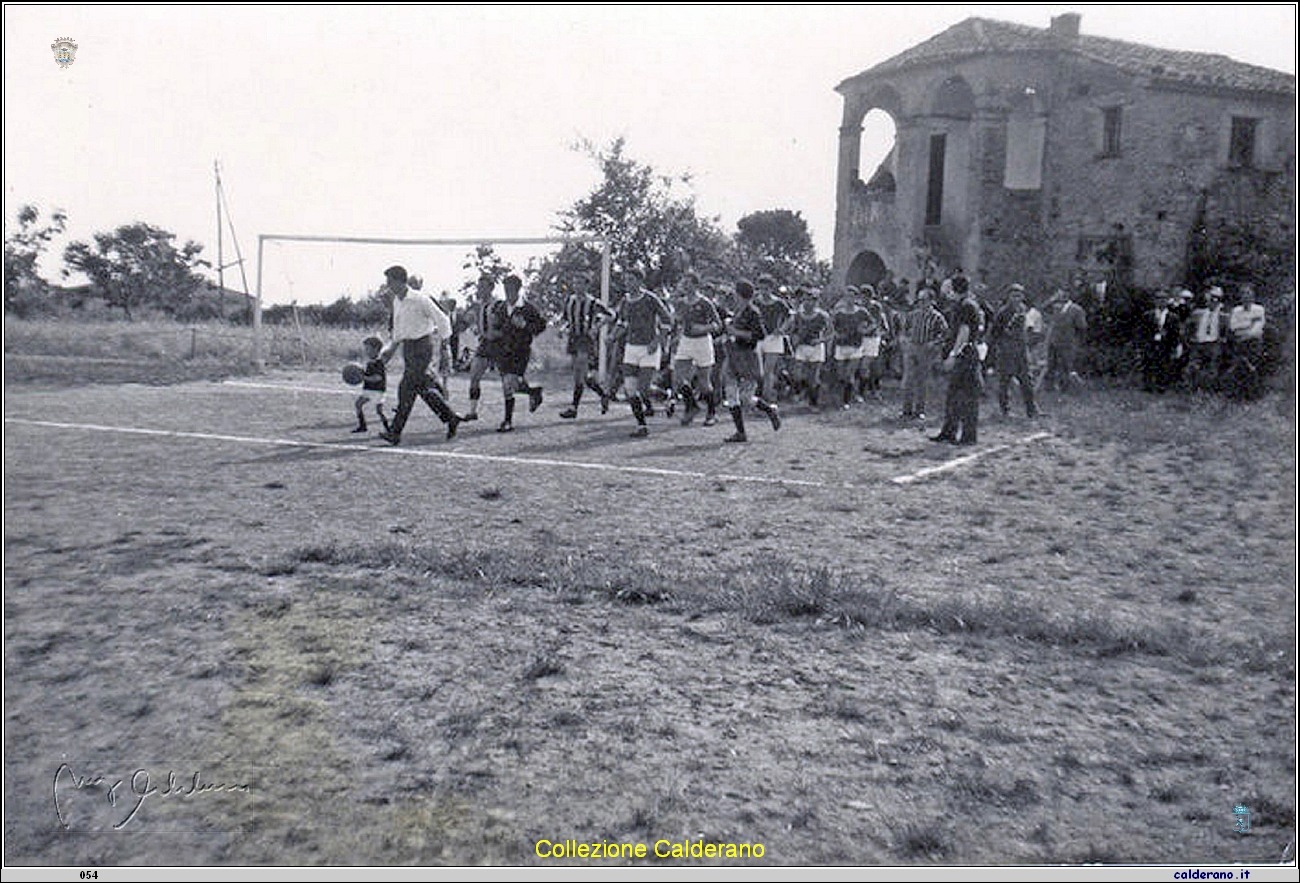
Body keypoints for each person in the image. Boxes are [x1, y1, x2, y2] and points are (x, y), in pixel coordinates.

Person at [377, 265, 462, 445]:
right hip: (408, 348)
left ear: (400, 281)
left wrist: (445, 346)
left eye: (390, 282)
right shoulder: (397, 302)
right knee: (423, 390)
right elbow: (398, 333)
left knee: (406, 388)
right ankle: (451, 417)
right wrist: (388, 352)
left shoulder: (420, 299)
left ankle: (395, 432)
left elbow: (443, 319)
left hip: (422, 346)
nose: (388, 286)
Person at [615, 267, 674, 438]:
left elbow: (667, 320)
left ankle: (666, 396)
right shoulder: (625, 301)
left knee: (644, 388)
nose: (627, 283)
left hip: (649, 347)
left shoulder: (650, 299)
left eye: (631, 279)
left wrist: (657, 341)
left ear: (640, 281)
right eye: (626, 280)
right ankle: (641, 426)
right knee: (630, 389)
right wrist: (612, 336)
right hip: (631, 348)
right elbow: (622, 322)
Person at [721, 279, 781, 442]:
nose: (733, 295)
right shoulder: (737, 310)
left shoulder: (753, 312)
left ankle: (770, 410)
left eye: (735, 292)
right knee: (731, 394)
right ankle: (740, 432)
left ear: (740, 294)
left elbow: (760, 335)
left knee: (746, 398)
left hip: (747, 356)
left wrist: (736, 332)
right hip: (734, 354)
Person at [487, 274, 548, 432]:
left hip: (520, 351)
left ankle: (507, 422)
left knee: (508, 383)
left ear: (518, 289)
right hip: (503, 351)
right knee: (509, 385)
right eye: (506, 289)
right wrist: (494, 333)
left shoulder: (527, 308)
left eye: (511, 289)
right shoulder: (500, 308)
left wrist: (525, 325)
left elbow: (541, 326)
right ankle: (534, 392)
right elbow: (496, 328)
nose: (508, 293)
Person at [932, 285, 985, 445]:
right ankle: (949, 432)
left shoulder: (966, 306)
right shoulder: (966, 305)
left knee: (966, 396)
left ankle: (968, 436)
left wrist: (953, 355)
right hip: (965, 354)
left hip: (965, 355)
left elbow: (965, 331)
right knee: (954, 395)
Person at [672, 271, 723, 426]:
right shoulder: (680, 303)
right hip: (686, 341)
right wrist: (676, 332)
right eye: (684, 283)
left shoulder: (705, 303)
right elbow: (677, 320)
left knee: (704, 382)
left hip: (702, 342)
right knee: (678, 378)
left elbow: (718, 325)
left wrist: (702, 328)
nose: (685, 286)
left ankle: (711, 413)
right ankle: (691, 406)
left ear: (695, 285)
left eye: (688, 283)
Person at [559, 280, 613, 419]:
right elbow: (566, 318)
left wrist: (596, 327)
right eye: (576, 283)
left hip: (585, 339)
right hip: (573, 338)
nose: (577, 286)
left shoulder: (593, 302)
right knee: (582, 376)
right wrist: (562, 328)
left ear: (586, 286)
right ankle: (603, 394)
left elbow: (611, 315)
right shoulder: (570, 300)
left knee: (579, 372)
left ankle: (573, 408)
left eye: (581, 284)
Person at [899, 288, 948, 421]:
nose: (921, 303)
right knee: (908, 379)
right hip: (912, 347)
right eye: (920, 300)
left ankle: (919, 410)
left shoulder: (937, 317)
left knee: (922, 380)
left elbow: (944, 334)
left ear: (931, 301)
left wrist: (933, 343)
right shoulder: (913, 315)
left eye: (925, 300)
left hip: (926, 350)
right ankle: (906, 409)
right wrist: (905, 340)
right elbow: (904, 329)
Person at [991, 284, 1038, 418]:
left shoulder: (1023, 309)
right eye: (1013, 295)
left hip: (1021, 350)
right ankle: (1005, 410)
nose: (1016, 299)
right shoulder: (1002, 312)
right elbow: (995, 332)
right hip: (1007, 351)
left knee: (1027, 381)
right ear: (1008, 296)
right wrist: (1001, 344)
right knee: (1004, 382)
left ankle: (1031, 409)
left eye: (1019, 295)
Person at [462, 275, 501, 422]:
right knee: (474, 376)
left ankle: (532, 392)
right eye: (479, 287)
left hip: (499, 344)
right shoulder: (479, 305)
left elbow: (504, 325)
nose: (480, 290)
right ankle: (472, 411)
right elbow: (471, 322)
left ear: (491, 288)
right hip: (485, 343)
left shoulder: (498, 304)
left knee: (511, 381)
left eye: (484, 287)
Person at [787, 287, 833, 407]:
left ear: (816, 302)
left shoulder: (823, 316)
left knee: (813, 376)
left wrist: (820, 340)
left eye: (812, 300)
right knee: (797, 373)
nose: (809, 303)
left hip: (816, 347)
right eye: (807, 300)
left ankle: (813, 402)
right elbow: (792, 331)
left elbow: (830, 333)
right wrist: (794, 339)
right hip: (801, 346)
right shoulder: (798, 316)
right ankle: (799, 391)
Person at [754, 274, 793, 400]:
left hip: (773, 338)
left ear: (771, 288)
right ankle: (757, 396)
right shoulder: (755, 301)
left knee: (768, 370)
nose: (763, 291)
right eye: (761, 288)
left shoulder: (779, 303)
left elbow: (790, 316)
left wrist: (782, 329)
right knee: (757, 370)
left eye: (766, 288)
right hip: (758, 337)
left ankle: (767, 397)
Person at [1041, 289, 1088, 392]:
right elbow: (1043, 308)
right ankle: (1049, 387)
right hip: (1054, 341)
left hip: (1068, 342)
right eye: (1060, 294)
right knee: (1051, 365)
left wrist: (1076, 340)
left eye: (1063, 294)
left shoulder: (1077, 309)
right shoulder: (1055, 307)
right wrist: (1052, 299)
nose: (1061, 297)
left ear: (1068, 295)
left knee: (1065, 365)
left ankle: (1065, 388)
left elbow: (1082, 327)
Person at [831, 288, 871, 408]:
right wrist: (836, 334)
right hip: (841, 345)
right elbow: (831, 326)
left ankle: (846, 401)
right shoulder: (839, 313)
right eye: (847, 296)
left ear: (856, 298)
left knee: (849, 373)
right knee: (840, 374)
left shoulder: (862, 312)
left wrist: (864, 330)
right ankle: (847, 393)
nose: (849, 299)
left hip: (855, 345)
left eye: (852, 296)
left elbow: (873, 323)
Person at [352, 335, 390, 434]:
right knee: (358, 404)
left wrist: (363, 377)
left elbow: (378, 377)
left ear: (376, 349)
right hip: (369, 389)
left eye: (368, 349)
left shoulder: (379, 363)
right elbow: (368, 374)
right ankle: (362, 426)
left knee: (379, 411)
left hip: (377, 390)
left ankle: (389, 429)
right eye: (365, 349)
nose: (366, 351)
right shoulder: (370, 362)